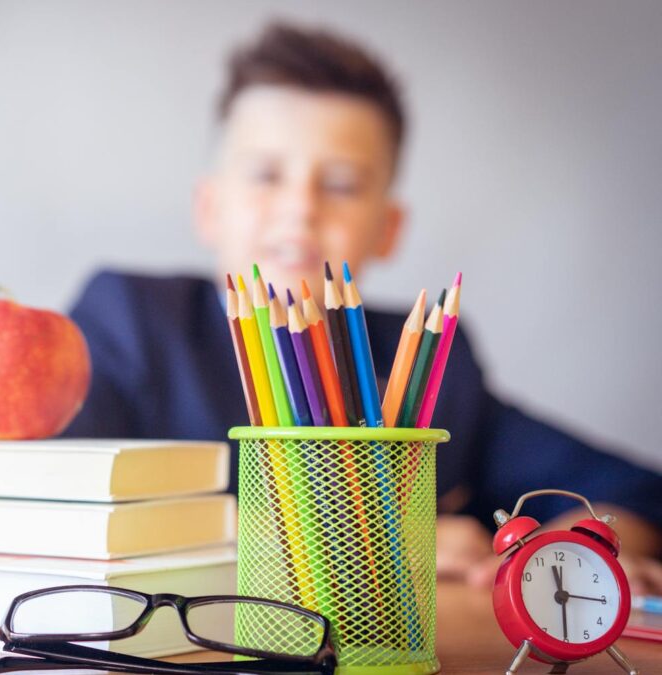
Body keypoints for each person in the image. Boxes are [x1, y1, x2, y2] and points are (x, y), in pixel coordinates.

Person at [60, 21, 662, 593]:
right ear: (209, 208)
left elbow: (631, 491)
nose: (300, 207)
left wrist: (576, 549)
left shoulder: (426, 359)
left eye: (342, 184)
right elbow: (58, 505)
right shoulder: (131, 319)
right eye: (267, 174)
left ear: (388, 229)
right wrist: (382, 544)